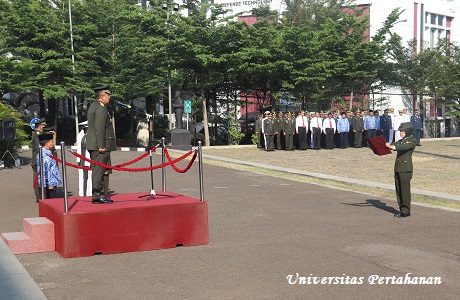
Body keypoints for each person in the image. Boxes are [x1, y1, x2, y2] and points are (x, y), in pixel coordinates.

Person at [86, 85, 116, 204]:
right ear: (102, 96)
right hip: (99, 146)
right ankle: (98, 196)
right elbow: (99, 128)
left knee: (100, 171)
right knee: (99, 172)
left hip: (95, 144)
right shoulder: (101, 108)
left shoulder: (94, 106)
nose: (109, 97)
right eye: (108, 95)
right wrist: (101, 145)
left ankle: (100, 195)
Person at [385, 122, 416, 218]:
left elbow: (401, 147)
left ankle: (406, 210)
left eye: (402, 131)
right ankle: (402, 209)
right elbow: (392, 145)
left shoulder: (411, 141)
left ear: (406, 132)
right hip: (398, 168)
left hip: (405, 169)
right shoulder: (401, 140)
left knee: (404, 190)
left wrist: (391, 146)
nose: (400, 133)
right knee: (399, 190)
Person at [36, 133, 62, 199]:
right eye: (51, 142)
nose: (53, 143)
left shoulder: (46, 152)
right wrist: (51, 184)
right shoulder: (45, 154)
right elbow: (46, 169)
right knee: (49, 201)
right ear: (47, 143)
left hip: (46, 182)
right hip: (47, 183)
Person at [76, 121, 92, 197]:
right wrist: (79, 160)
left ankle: (88, 192)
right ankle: (83, 193)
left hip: (87, 160)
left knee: (88, 176)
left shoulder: (85, 136)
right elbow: (79, 150)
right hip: (84, 160)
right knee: (83, 177)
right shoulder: (82, 137)